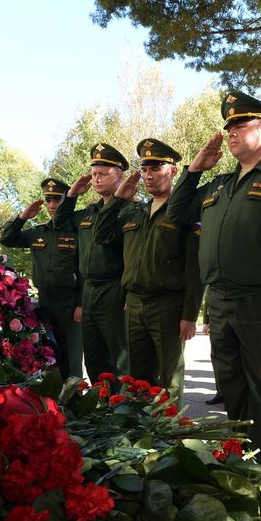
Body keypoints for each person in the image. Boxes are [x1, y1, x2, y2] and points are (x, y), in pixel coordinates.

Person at [167, 91, 261, 475]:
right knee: (232, 388)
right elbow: (176, 212)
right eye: (229, 127)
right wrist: (194, 170)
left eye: (240, 125)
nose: (231, 133)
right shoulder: (217, 185)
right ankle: (238, 468)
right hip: (220, 302)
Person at [93, 139, 205, 405]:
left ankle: (170, 434)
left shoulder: (184, 212)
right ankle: (142, 434)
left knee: (169, 378)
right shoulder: (134, 211)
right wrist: (118, 200)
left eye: (156, 168)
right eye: (145, 169)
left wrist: (190, 314)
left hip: (168, 304)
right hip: (134, 304)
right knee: (137, 377)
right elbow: (101, 235)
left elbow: (194, 268)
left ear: (173, 171)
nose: (148, 175)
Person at [54, 143, 130, 380]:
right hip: (89, 291)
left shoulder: (130, 210)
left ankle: (124, 409)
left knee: (119, 358)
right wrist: (72, 195)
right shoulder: (88, 213)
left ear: (119, 176)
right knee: (95, 358)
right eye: (94, 174)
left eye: (103, 175)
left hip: (114, 289)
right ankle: (102, 410)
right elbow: (59, 224)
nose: (97, 180)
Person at [0, 177, 83, 378]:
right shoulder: (39, 232)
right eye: (49, 200)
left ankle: (76, 403)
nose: (53, 205)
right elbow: (7, 239)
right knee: (49, 355)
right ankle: (57, 404)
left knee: (70, 357)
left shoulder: (78, 231)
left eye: (58, 200)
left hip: (69, 303)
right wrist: (23, 217)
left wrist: (81, 303)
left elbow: (85, 270)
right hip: (45, 301)